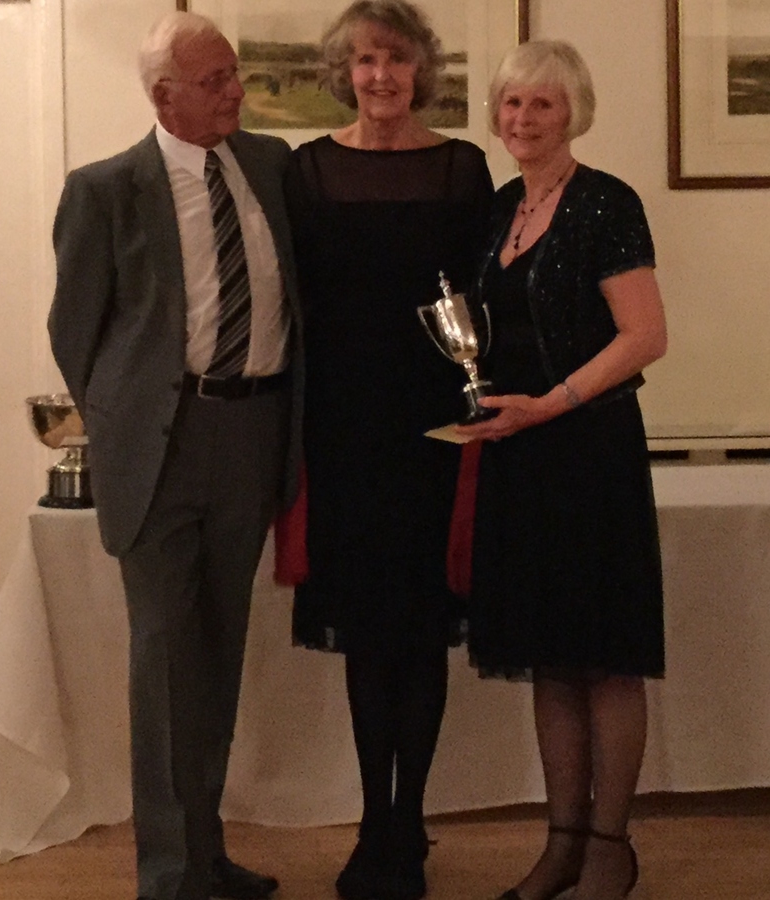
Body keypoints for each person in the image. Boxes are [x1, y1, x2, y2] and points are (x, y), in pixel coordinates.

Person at [48, 12, 303, 900]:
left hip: (254, 434)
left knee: (219, 649)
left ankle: (208, 854)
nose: (236, 91)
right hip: (160, 447)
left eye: (235, 74)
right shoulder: (105, 189)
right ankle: (168, 874)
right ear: (164, 96)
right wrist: (127, 422)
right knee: (164, 658)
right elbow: (74, 331)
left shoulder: (270, 166)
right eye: (215, 81)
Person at [281, 2, 493, 898]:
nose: (380, 77)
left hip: (437, 438)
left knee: (423, 636)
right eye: (365, 60)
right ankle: (376, 820)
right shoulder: (307, 171)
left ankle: (412, 826)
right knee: (370, 638)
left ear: (421, 71)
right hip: (341, 441)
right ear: (344, 71)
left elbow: (487, 307)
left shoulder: (462, 167)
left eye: (396, 60)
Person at [456, 40, 667, 900]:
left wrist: (548, 404)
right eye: (509, 104)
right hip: (520, 459)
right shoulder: (501, 206)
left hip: (591, 454)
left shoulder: (606, 202)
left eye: (540, 105)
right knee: (549, 659)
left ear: (571, 111)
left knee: (605, 659)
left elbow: (644, 337)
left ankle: (610, 848)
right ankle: (559, 845)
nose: (521, 119)